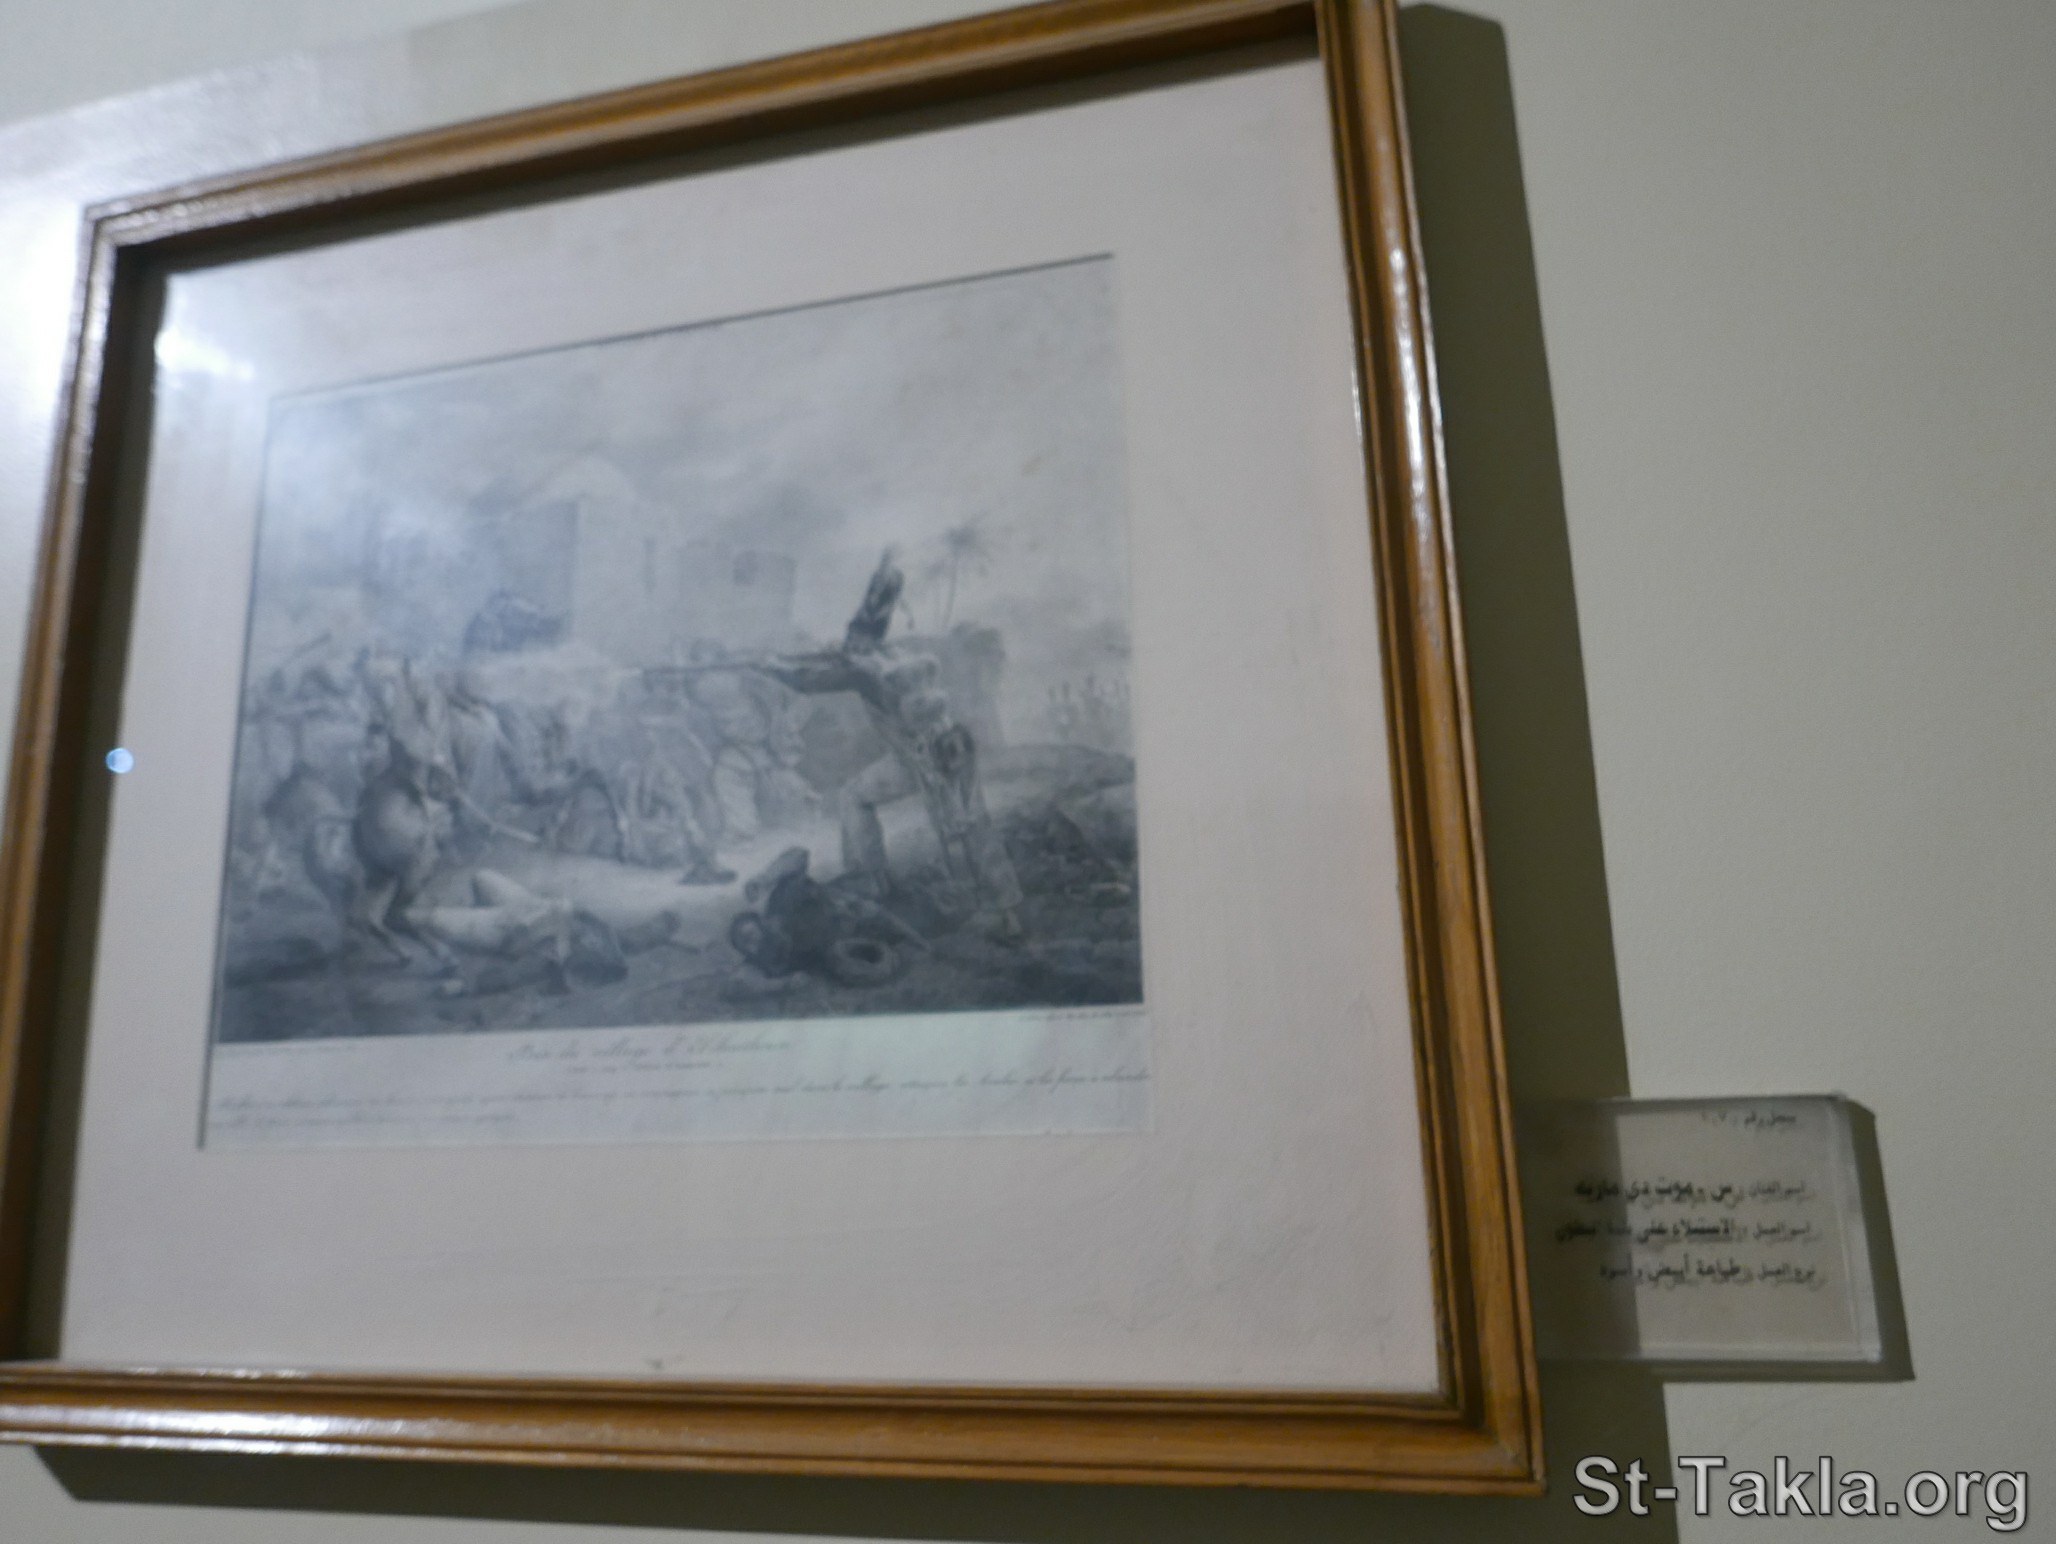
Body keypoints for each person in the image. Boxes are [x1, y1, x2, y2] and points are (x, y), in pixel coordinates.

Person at [753, 549, 1024, 938]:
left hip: (930, 757)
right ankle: (872, 879)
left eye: (850, 640)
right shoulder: (899, 652)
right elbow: (869, 618)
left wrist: (772, 667)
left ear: (856, 641)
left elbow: (808, 681)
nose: (846, 645)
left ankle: (998, 915)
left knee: (957, 826)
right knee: (860, 797)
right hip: (949, 746)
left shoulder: (862, 669)